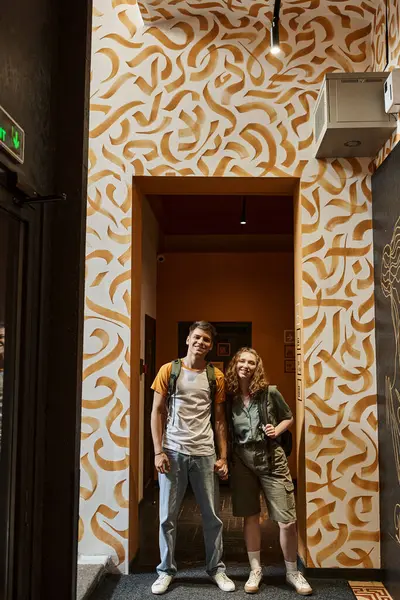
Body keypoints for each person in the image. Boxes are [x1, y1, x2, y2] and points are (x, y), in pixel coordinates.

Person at [150, 321, 235, 595]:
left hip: (204, 453)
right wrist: (158, 451)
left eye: (207, 340)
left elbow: (220, 420)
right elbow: (157, 412)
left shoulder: (215, 376)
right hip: (173, 451)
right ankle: (165, 570)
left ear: (210, 345)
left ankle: (216, 569)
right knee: (167, 516)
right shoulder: (168, 370)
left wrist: (223, 457)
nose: (201, 343)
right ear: (188, 339)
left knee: (212, 516)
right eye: (197, 337)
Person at [225, 348, 312, 595]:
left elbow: (289, 417)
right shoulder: (230, 396)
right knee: (250, 516)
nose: (246, 365)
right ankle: (255, 569)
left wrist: (278, 429)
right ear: (235, 364)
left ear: (257, 367)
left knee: (287, 521)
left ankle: (293, 572)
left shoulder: (269, 393)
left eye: (251, 362)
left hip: (272, 459)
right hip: (242, 461)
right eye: (241, 361)